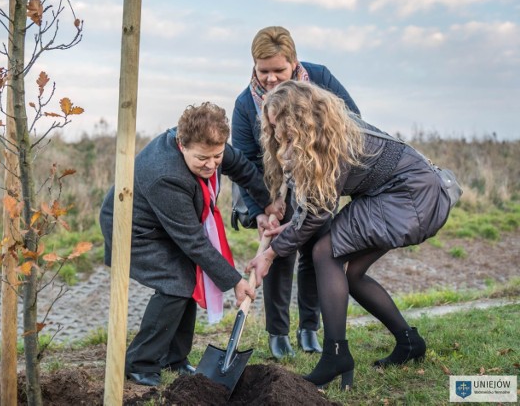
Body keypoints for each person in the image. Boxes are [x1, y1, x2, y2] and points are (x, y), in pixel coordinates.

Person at [247, 80, 454, 390]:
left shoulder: (333, 141)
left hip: (409, 194)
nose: (274, 129)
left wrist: (271, 253)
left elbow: (318, 212)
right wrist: (286, 227)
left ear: (298, 117)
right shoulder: (315, 136)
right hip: (402, 192)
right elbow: (314, 204)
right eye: (271, 121)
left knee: (326, 252)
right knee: (352, 273)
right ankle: (410, 342)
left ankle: (335, 355)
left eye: (279, 122)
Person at [99, 102, 283, 386]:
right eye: (202, 159)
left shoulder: (210, 143)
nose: (211, 165)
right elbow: (194, 242)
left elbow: (243, 169)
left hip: (163, 225)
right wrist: (235, 280)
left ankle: (174, 358)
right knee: (176, 282)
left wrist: (268, 205)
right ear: (181, 145)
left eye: (217, 156)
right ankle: (140, 363)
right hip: (133, 229)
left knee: (185, 279)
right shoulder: (166, 176)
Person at [231, 25, 361, 359]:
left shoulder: (320, 78)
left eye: (279, 70)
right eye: (264, 71)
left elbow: (352, 120)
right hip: (273, 188)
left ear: (294, 62)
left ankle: (309, 329)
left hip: (317, 180)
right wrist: (262, 208)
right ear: (254, 66)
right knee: (278, 254)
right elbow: (245, 163)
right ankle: (278, 333)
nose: (271, 79)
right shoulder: (245, 104)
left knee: (316, 250)